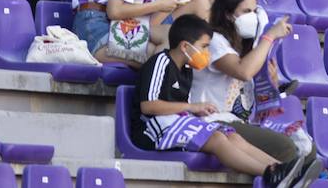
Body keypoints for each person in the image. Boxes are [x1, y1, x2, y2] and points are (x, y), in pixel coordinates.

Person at [130, 15, 316, 188]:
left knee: (231, 134)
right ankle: (270, 174)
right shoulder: (160, 62)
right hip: (151, 129)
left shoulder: (186, 70)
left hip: (175, 123)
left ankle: (282, 171)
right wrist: (191, 107)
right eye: (204, 47)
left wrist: (196, 111)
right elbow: (148, 105)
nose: (206, 53)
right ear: (185, 46)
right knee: (217, 139)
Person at [192, 0, 317, 170]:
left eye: (254, 10)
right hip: (212, 121)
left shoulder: (245, 46)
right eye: (245, 11)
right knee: (285, 149)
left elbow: (250, 102)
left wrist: (272, 83)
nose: (253, 17)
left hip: (238, 121)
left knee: (308, 149)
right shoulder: (213, 41)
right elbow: (243, 71)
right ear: (227, 14)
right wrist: (269, 37)